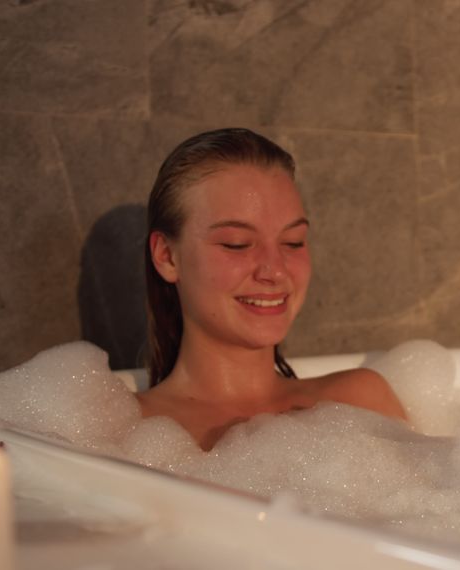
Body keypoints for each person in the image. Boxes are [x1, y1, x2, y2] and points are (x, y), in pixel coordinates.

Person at [136, 128, 407, 450]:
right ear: (167, 256)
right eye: (236, 244)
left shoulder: (360, 402)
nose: (275, 270)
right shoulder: (124, 433)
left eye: (292, 242)